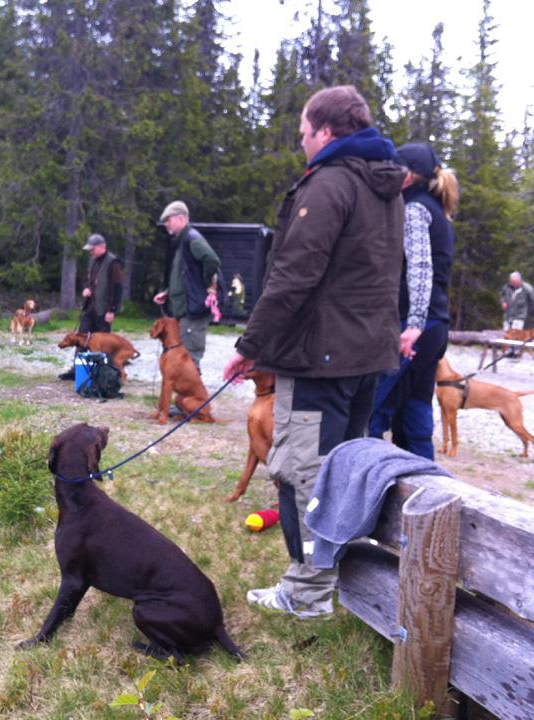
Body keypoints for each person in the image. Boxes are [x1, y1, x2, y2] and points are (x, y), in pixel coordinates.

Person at [222, 85, 404, 619]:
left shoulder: (330, 184)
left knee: (307, 472)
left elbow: (293, 274)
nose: (301, 142)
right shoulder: (386, 188)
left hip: (320, 357)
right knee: (345, 472)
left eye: (303, 133)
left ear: (324, 132)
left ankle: (307, 594)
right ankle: (345, 583)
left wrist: (250, 346)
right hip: (367, 355)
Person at [369, 144, 458, 459]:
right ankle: (425, 488)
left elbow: (420, 268)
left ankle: (372, 484)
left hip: (415, 325)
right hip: (435, 324)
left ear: (408, 175)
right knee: (414, 409)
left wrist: (414, 323)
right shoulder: (436, 210)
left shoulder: (415, 209)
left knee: (373, 410)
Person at [152, 201, 220, 373]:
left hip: (193, 310)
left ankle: (194, 399)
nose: (166, 224)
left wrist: (203, 285)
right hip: (185, 310)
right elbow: (184, 277)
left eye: (169, 220)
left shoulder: (192, 239)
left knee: (189, 358)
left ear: (181, 218)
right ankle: (185, 399)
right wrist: (168, 293)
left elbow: (212, 260)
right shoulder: (183, 242)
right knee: (182, 357)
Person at [58, 233, 124, 381]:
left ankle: (105, 374)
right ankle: (77, 369)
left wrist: (112, 310)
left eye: (92, 249)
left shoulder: (113, 263)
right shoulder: (92, 261)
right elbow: (89, 281)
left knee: (103, 344)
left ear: (101, 247)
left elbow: (118, 287)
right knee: (81, 339)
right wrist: (87, 289)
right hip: (90, 307)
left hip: (104, 309)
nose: (90, 252)